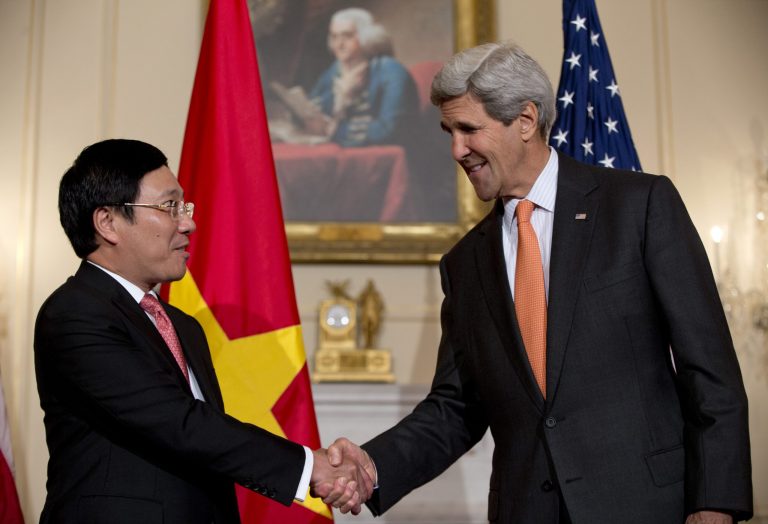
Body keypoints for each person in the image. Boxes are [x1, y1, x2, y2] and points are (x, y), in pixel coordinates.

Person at [318, 42, 753, 523]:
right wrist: (373, 466)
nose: (456, 150)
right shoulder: (464, 263)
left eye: (469, 129)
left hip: (645, 507)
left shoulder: (638, 207)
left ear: (525, 120)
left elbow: (708, 369)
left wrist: (715, 504)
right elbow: (456, 407)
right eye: (449, 132)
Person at [34, 139, 371, 523]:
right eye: (169, 207)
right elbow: (178, 423)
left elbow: (204, 449)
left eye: (185, 207)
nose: (188, 223)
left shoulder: (183, 326)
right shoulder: (75, 313)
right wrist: (309, 467)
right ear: (108, 222)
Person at [306, 7, 420, 147]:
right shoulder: (333, 72)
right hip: (346, 151)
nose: (339, 44)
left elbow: (388, 129)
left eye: (347, 36)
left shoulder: (391, 71)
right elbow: (312, 111)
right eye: (334, 37)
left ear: (367, 37)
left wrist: (336, 131)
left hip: (387, 154)